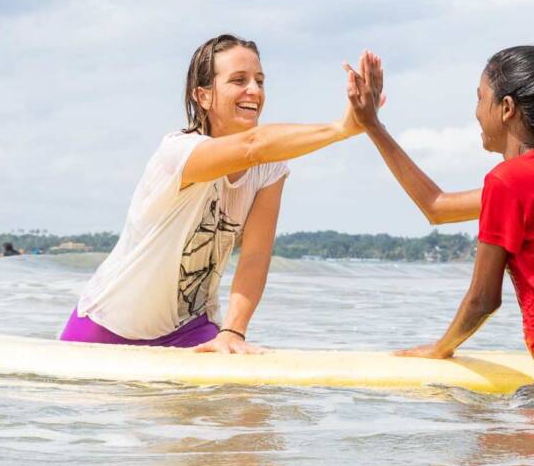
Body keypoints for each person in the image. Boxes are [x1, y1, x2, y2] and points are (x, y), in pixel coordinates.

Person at [346, 46, 534, 401]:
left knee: (476, 455)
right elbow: (437, 206)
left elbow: (483, 299)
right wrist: (373, 125)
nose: (474, 113)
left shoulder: (509, 180)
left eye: (479, 98)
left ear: (506, 108)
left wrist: (440, 349)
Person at [60, 33, 373, 353]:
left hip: (188, 330)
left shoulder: (271, 168)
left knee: (252, 403)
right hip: (109, 325)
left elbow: (255, 254)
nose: (254, 90)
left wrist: (234, 331)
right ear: (203, 96)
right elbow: (253, 146)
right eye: (239, 80)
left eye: (260, 81)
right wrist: (342, 128)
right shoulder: (180, 152)